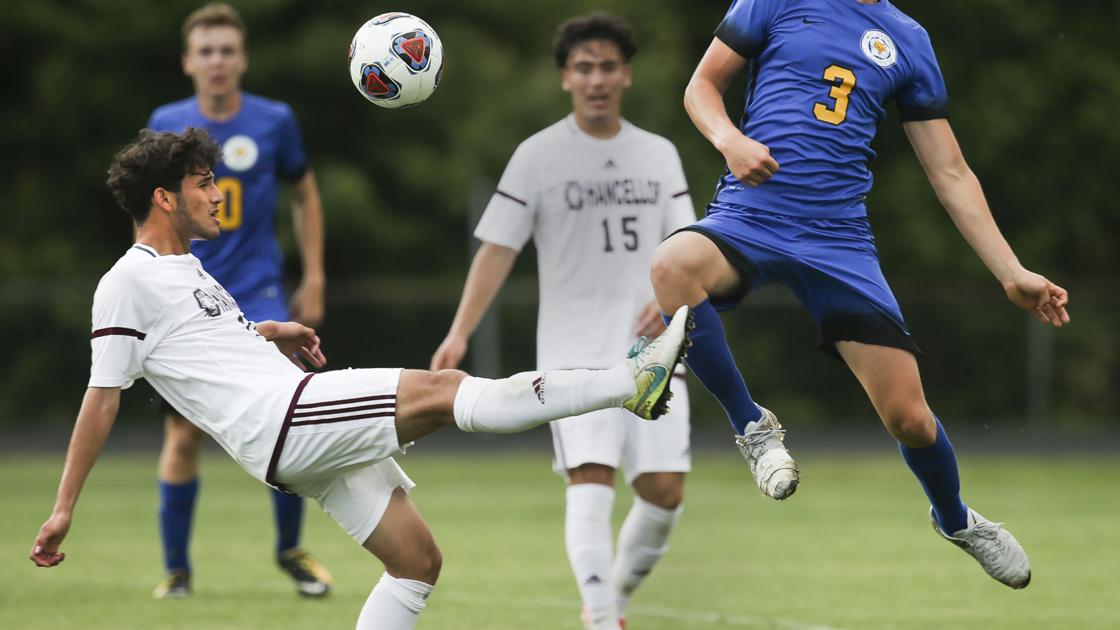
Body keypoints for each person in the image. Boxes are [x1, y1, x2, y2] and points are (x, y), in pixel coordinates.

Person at [28, 128, 692, 630]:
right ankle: (627, 382)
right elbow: (103, 396)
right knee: (444, 389)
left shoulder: (187, 269)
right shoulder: (127, 281)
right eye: (204, 183)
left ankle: (628, 382)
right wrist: (63, 509)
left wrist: (270, 331)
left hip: (286, 433)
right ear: (164, 197)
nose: (217, 194)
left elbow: (202, 349)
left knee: (417, 563)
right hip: (285, 419)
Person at [651, 0, 1070, 589]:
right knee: (671, 266)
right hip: (750, 217)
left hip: (839, 243)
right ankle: (753, 427)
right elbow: (701, 86)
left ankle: (955, 520)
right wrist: (730, 140)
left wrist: (1011, 271)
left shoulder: (909, 39)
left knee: (910, 420)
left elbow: (950, 171)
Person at [430, 13, 695, 629]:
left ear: (626, 75)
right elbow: (497, 249)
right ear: (565, 78)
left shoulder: (658, 154)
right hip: (572, 350)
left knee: (664, 495)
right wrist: (459, 331)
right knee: (591, 478)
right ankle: (601, 620)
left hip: (653, 346)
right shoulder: (538, 156)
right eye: (583, 68)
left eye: (607, 66)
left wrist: (673, 301)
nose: (596, 79)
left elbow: (688, 243)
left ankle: (612, 603)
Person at [144, 3, 328, 598]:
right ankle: (177, 571)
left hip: (259, 290)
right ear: (187, 62)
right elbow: (147, 209)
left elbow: (305, 193)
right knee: (183, 434)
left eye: (227, 50)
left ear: (242, 59)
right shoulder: (166, 122)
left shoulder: (275, 120)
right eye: (206, 51)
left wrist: (315, 275)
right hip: (188, 292)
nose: (217, 61)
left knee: (289, 421)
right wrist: (149, 279)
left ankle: (291, 552)